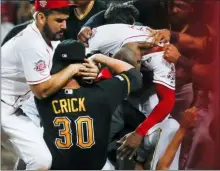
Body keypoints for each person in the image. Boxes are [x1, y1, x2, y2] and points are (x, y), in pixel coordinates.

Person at [1, 0, 98, 170]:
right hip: (5, 107)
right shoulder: (31, 43)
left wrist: (91, 62)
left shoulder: (43, 38)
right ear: (40, 17)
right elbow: (42, 91)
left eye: (65, 20)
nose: (64, 26)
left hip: (14, 106)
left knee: (37, 154)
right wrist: (74, 68)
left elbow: (64, 49)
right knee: (41, 161)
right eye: (59, 20)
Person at [35, 39, 143, 169]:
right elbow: (135, 76)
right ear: (84, 66)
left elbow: (43, 83)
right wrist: (99, 58)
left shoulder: (41, 97)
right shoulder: (103, 93)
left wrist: (72, 70)